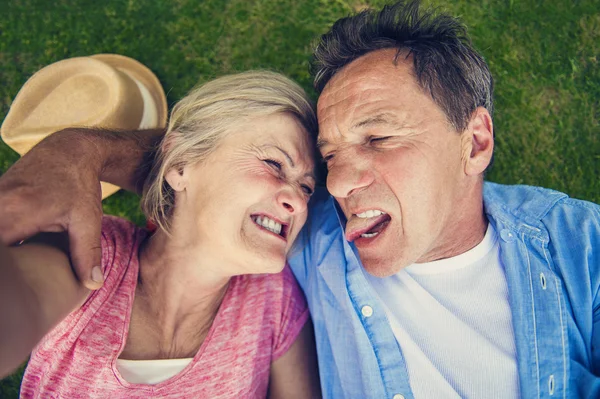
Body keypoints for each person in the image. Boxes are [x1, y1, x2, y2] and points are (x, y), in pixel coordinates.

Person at [1, 1, 599, 398]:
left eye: (379, 137)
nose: (330, 190)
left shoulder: (581, 249)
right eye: (330, 157)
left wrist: (81, 150)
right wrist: (78, 152)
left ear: (474, 143)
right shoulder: (308, 248)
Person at [0, 70, 322, 398]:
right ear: (181, 165)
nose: (297, 201)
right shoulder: (96, 255)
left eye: (307, 187)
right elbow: (20, 299)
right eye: (273, 164)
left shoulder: (274, 298)